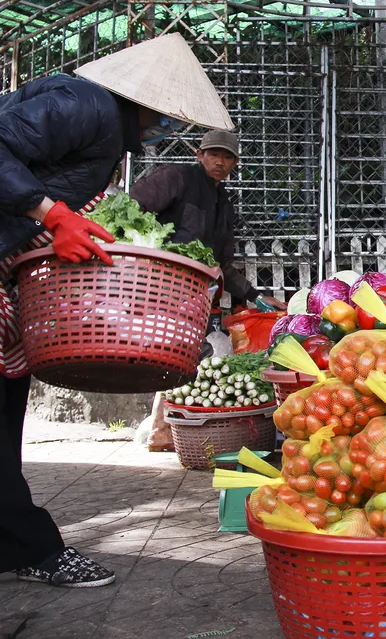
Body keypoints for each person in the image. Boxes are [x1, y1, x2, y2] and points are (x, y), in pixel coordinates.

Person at [0, 32, 232, 588]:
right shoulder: (87, 105)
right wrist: (50, 212)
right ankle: (32, 546)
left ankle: (20, 545)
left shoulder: (104, 125)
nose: (165, 128)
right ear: (143, 103)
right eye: (164, 117)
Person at [130, 130, 282, 308]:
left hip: (190, 293)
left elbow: (221, 263)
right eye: (214, 155)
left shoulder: (224, 203)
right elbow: (132, 208)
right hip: (151, 283)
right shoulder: (176, 177)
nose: (219, 162)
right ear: (200, 154)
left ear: (235, 162)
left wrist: (256, 296)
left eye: (227, 157)